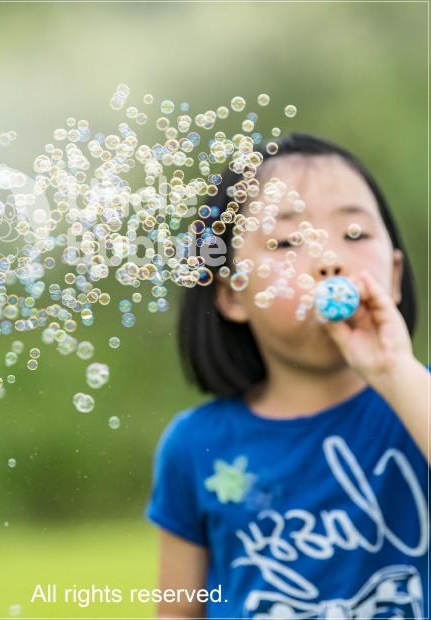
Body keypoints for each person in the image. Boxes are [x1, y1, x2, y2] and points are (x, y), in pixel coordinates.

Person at [145, 133, 430, 619]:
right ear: (232, 295)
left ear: (395, 275)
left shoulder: (418, 403)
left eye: (355, 234)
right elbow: (177, 610)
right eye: (286, 242)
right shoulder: (195, 445)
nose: (327, 260)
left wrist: (393, 371)